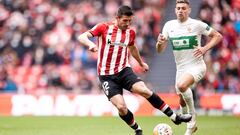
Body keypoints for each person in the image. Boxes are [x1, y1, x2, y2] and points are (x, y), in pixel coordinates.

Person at [78, 5, 192, 135]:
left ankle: (174, 117)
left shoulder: (130, 32)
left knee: (144, 90)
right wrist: (91, 44)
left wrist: (141, 63)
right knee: (121, 107)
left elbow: (132, 48)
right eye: (124, 21)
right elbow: (82, 36)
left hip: (123, 70)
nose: (127, 24)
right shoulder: (103, 27)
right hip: (106, 76)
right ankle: (137, 129)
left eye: (129, 21)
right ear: (117, 18)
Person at [156, 0, 223, 135]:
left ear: (189, 10)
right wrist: (159, 43)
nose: (180, 10)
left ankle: (192, 123)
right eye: (178, 8)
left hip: (197, 66)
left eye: (183, 8)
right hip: (180, 69)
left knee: (181, 86)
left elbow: (218, 36)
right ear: (175, 10)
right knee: (181, 98)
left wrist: (204, 48)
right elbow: (160, 50)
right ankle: (186, 116)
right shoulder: (169, 25)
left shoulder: (196, 24)